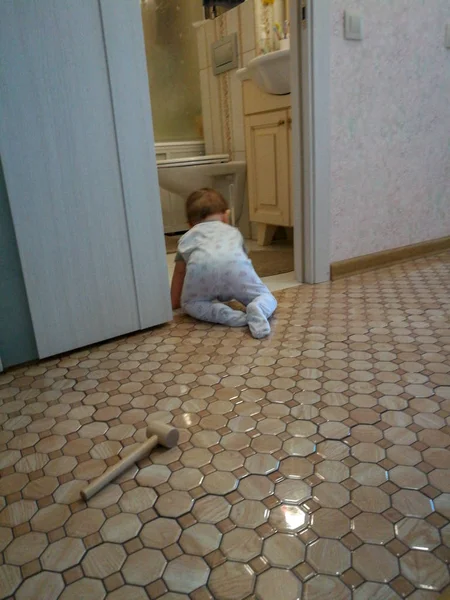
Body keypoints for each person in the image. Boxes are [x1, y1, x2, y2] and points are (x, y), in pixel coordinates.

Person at [171, 188, 277, 339]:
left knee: (191, 303)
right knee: (266, 296)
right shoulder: (233, 232)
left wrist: (175, 303)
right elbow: (242, 259)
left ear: (190, 224)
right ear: (225, 216)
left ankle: (226, 315)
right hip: (236, 271)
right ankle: (258, 307)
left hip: (203, 273)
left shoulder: (188, 237)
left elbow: (179, 272)